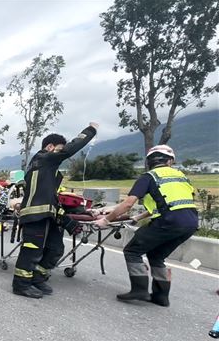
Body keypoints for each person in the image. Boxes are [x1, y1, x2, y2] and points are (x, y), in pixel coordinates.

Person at [95, 145, 197, 306]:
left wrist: (106, 220)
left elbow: (128, 203)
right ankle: (161, 296)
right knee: (156, 256)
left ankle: (140, 290)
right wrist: (138, 217)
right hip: (190, 223)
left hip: (168, 222)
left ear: (149, 161)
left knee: (132, 250)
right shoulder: (181, 177)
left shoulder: (149, 177)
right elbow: (170, 204)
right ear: (170, 161)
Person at [12, 122, 98, 298]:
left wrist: (67, 219)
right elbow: (69, 150)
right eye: (59, 149)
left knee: (55, 248)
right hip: (35, 215)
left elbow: (50, 197)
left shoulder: (47, 170)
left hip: (47, 216)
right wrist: (90, 131)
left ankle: (37, 278)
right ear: (50, 147)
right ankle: (21, 284)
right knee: (32, 250)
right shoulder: (43, 158)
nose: (60, 153)